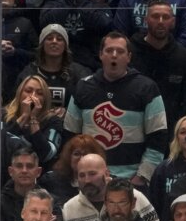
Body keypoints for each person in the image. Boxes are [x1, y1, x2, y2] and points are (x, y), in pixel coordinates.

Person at [64, 32, 168, 192]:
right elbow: (71, 136)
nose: (114, 55)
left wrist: (142, 176)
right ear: (100, 55)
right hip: (90, 180)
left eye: (120, 51)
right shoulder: (83, 87)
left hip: (131, 181)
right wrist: (80, 173)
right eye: (109, 50)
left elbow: (158, 137)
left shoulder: (147, 88)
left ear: (129, 57)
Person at [129, 0, 186, 139]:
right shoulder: (130, 54)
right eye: (155, 16)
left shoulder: (183, 57)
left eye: (165, 17)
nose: (160, 21)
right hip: (133, 130)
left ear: (173, 21)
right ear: (146, 20)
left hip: (171, 134)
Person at [61, 152, 160, 221]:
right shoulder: (69, 208)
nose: (87, 180)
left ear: (107, 173)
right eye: (82, 175)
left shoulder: (136, 198)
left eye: (92, 174)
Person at [40, 0, 115, 73]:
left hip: (89, 65)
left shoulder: (101, 7)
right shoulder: (53, 3)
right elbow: (45, 21)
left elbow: (104, 25)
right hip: (56, 62)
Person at [16, 23, 91, 112]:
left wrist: (67, 112)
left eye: (59, 39)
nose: (54, 41)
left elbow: (88, 104)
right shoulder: (29, 72)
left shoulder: (79, 72)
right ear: (42, 45)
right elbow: (15, 105)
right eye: (49, 38)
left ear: (65, 46)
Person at [3, 74, 63, 172]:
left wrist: (33, 119)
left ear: (45, 98)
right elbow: (0, 145)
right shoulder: (4, 114)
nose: (33, 96)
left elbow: (47, 154)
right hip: (7, 170)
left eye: (39, 93)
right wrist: (24, 116)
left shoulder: (53, 120)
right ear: (20, 93)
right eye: (28, 91)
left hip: (39, 174)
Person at [0, 146, 62, 221]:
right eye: (19, 166)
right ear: (10, 171)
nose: (24, 170)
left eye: (30, 166)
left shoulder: (52, 202)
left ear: (38, 172)